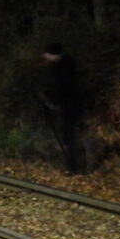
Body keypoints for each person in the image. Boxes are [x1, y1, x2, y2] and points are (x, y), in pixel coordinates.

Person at [37, 43, 86, 174]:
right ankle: (71, 164)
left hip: (68, 106)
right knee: (68, 136)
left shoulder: (63, 68)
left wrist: (50, 97)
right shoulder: (66, 65)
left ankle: (73, 166)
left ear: (52, 55)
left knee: (69, 136)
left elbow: (62, 88)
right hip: (68, 105)